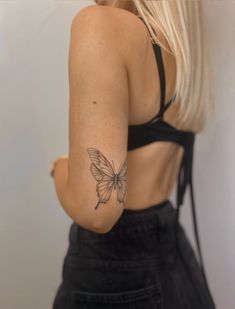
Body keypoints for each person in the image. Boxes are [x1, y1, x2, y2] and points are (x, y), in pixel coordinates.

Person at [51, 0, 216, 308]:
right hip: (177, 261)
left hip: (117, 269)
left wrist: (59, 168)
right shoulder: (181, 45)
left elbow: (97, 211)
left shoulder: (102, 25)